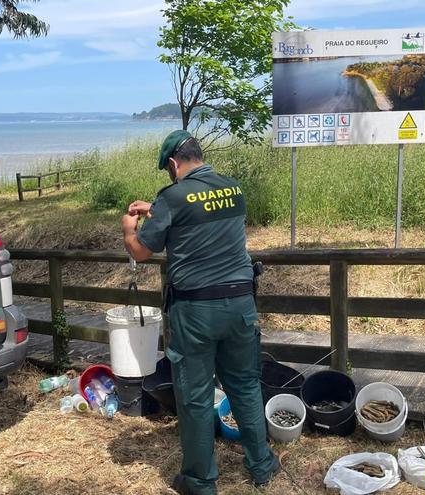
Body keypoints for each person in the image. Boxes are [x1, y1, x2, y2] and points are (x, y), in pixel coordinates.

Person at [121, 130, 279, 494]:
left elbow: (142, 251)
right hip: (241, 305)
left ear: (174, 163)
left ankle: (200, 481)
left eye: (168, 171)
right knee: (244, 386)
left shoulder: (172, 196)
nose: (169, 177)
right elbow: (201, 212)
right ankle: (262, 465)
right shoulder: (233, 188)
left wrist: (130, 228)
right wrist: (158, 210)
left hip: (196, 312)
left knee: (194, 395)